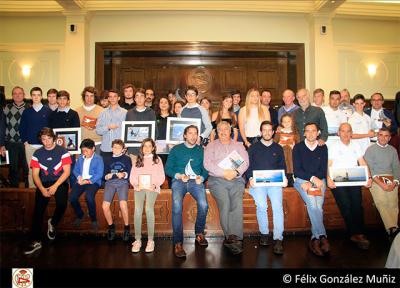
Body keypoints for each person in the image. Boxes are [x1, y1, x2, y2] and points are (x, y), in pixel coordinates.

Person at [24, 127, 72, 255]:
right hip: (43, 183)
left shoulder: (63, 151)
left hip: (60, 181)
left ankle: (53, 222)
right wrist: (41, 189)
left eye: (49, 138)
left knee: (62, 204)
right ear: (41, 140)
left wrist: (56, 186)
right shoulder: (37, 153)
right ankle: (35, 240)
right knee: (38, 211)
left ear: (54, 138)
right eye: (44, 139)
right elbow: (35, 175)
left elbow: (67, 172)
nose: (47, 141)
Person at [204, 121, 249, 255]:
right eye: (220, 130)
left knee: (236, 202)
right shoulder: (211, 146)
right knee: (225, 202)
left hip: (236, 180)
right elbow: (207, 164)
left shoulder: (238, 146)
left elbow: (245, 162)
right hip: (217, 180)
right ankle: (229, 236)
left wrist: (235, 173)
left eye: (226, 129)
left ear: (230, 131)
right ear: (217, 132)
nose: (223, 132)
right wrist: (223, 173)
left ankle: (235, 236)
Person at [165, 125, 209, 258]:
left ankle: (199, 233)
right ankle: (178, 242)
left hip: (195, 181)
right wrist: (178, 175)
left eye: (195, 133)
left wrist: (202, 177)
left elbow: (205, 168)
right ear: (185, 135)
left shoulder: (201, 150)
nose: (193, 136)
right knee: (177, 207)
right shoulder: (176, 149)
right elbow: (168, 169)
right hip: (179, 181)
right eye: (190, 133)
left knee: (204, 205)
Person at [327, 123, 372, 250]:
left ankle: (360, 232)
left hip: (354, 179)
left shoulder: (356, 145)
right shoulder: (333, 146)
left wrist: (368, 177)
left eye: (348, 131)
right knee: (345, 205)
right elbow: (329, 164)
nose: (346, 134)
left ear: (351, 133)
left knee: (357, 205)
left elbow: (362, 161)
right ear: (338, 133)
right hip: (338, 180)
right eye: (343, 131)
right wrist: (329, 178)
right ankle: (355, 234)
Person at [246, 121, 286, 254]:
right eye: (265, 130)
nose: (267, 132)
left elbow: (282, 167)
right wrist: (250, 178)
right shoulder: (253, 148)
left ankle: (278, 238)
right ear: (261, 132)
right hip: (258, 183)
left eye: (270, 130)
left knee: (277, 207)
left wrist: (284, 177)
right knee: (262, 206)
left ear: (273, 132)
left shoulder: (278, 148)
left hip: (274, 183)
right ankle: (264, 234)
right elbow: (248, 166)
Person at [293, 123, 330, 256]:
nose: (310, 133)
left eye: (313, 131)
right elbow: (297, 170)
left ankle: (315, 237)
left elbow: (323, 168)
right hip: (302, 180)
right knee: (313, 205)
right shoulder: (297, 147)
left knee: (317, 207)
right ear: (304, 133)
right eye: (307, 131)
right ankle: (323, 235)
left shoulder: (323, 147)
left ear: (318, 132)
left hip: (319, 180)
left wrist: (315, 180)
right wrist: (310, 179)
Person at [130, 138, 165, 253]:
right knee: (137, 210)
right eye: (145, 146)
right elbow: (132, 177)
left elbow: (161, 177)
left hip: (152, 187)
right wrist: (136, 184)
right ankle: (138, 240)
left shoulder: (157, 159)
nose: (147, 148)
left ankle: (150, 240)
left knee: (148, 209)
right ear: (142, 148)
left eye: (149, 146)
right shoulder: (137, 159)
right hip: (139, 187)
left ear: (153, 148)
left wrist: (154, 185)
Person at [364, 128, 400, 241]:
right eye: (381, 135)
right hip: (376, 180)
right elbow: (370, 169)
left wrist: (395, 182)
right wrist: (381, 184)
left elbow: (396, 167)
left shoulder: (393, 150)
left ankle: (393, 231)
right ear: (377, 136)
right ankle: (392, 228)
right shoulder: (370, 150)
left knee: (393, 204)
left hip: (391, 179)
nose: (383, 138)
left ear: (389, 138)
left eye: (386, 136)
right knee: (382, 202)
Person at [19, 87, 52, 188]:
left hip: (45, 146)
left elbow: (51, 128)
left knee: (45, 169)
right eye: (34, 95)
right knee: (31, 170)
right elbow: (22, 128)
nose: (36, 97)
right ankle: (32, 192)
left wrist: (49, 143)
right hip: (30, 145)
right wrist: (25, 141)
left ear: (41, 97)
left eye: (38, 95)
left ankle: (45, 190)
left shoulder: (48, 111)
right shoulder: (27, 112)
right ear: (31, 97)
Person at [70, 139, 104, 231]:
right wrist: (79, 177)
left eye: (86, 150)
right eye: (82, 151)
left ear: (93, 149)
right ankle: (80, 215)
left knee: (89, 197)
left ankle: (93, 219)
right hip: (81, 181)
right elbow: (75, 170)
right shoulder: (81, 158)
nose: (84, 153)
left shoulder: (98, 159)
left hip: (93, 182)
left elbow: (99, 174)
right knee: (72, 198)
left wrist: (88, 181)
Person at [102, 139, 132, 242]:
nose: (116, 149)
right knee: (105, 206)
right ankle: (111, 227)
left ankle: (127, 227)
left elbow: (129, 173)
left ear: (123, 149)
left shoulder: (127, 159)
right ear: (111, 148)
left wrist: (124, 174)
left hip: (122, 182)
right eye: (114, 147)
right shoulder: (107, 159)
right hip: (110, 183)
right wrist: (107, 176)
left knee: (123, 204)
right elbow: (103, 175)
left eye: (119, 148)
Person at [4, 86, 30, 187]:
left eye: (20, 93)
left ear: (24, 95)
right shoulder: (7, 108)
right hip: (10, 143)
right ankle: (14, 190)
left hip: (25, 143)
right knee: (13, 169)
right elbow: (3, 125)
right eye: (15, 93)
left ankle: (28, 190)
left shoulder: (29, 108)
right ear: (12, 96)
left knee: (27, 168)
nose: (17, 95)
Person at [96, 89, 127, 160]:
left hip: (120, 149)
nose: (112, 98)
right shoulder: (102, 113)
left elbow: (127, 131)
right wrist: (108, 127)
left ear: (118, 98)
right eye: (110, 97)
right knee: (106, 170)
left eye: (115, 96)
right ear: (108, 98)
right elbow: (98, 130)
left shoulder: (125, 113)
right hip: (106, 148)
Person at [125, 88, 156, 155]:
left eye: (142, 96)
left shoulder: (151, 112)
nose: (139, 98)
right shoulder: (129, 113)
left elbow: (155, 131)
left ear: (145, 98)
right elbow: (127, 131)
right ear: (134, 99)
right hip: (133, 151)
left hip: (147, 151)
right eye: (137, 96)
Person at [75, 86, 104, 154]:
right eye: (87, 96)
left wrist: (96, 126)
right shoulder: (76, 111)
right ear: (83, 97)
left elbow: (105, 127)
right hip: (82, 144)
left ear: (95, 97)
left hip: (97, 143)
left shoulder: (102, 111)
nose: (89, 98)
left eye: (92, 96)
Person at [274, 113, 300, 187]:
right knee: (281, 179)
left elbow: (299, 147)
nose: (287, 123)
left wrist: (294, 147)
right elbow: (273, 146)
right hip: (281, 158)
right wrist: (279, 146)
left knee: (291, 180)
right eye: (284, 121)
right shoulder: (278, 133)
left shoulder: (295, 133)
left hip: (292, 159)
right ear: (281, 123)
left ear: (292, 122)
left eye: (288, 121)